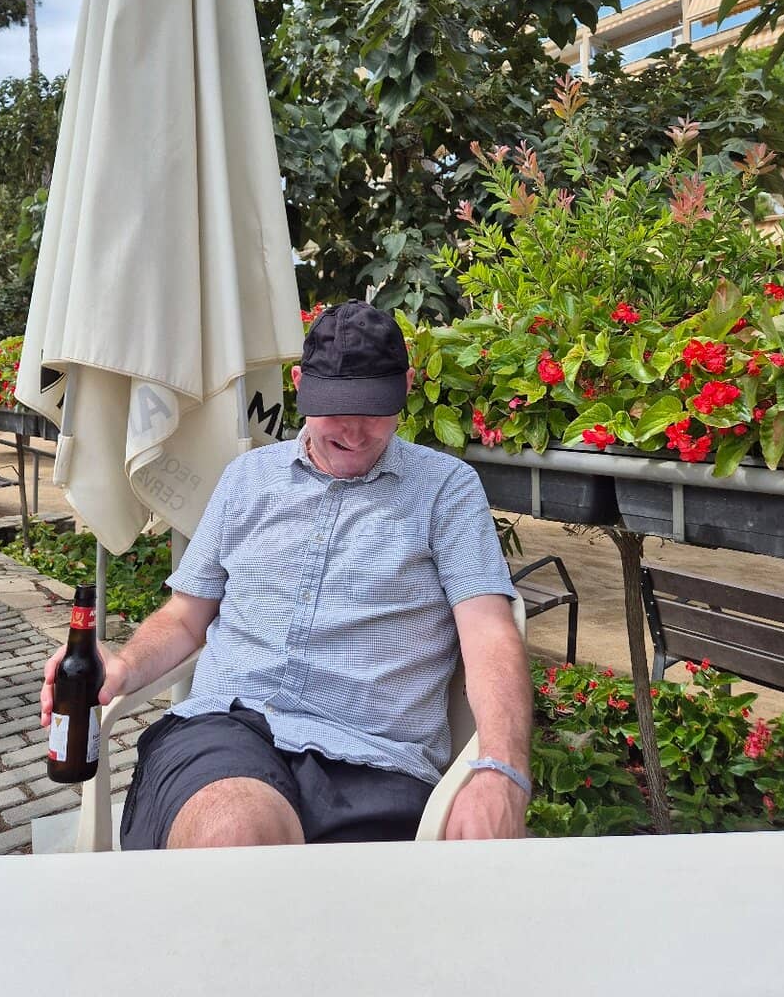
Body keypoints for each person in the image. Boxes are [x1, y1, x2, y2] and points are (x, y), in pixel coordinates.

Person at [40, 301, 533, 847]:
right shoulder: (247, 479)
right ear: (299, 386)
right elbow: (185, 617)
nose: (354, 432)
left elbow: (489, 632)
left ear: (407, 387)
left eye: (375, 408)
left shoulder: (446, 489)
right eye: (335, 409)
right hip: (227, 732)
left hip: (375, 761)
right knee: (235, 827)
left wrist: (502, 769)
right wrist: (124, 664)